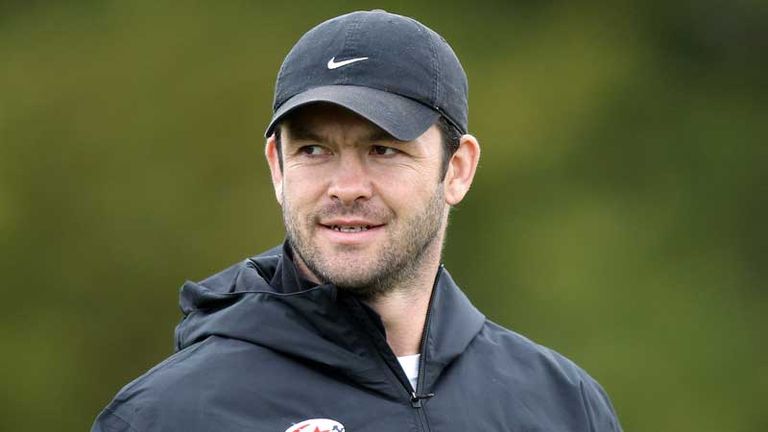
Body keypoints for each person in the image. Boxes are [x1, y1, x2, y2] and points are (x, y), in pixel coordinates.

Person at [92, 10, 622, 432]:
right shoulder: (166, 416)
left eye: (383, 150)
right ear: (277, 167)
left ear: (457, 169)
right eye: (314, 150)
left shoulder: (562, 406)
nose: (347, 187)